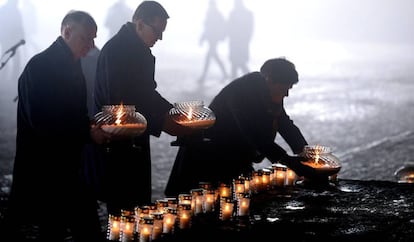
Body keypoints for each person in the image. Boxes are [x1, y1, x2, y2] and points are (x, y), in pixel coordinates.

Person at [4, 10, 110, 242]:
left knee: (80, 229)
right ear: (67, 32)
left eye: (94, 39)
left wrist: (92, 124)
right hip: (47, 170)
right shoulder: (39, 68)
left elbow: (75, 114)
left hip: (71, 167)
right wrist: (87, 132)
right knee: (55, 230)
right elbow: (44, 123)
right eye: (86, 38)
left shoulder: (73, 67)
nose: (91, 46)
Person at [94, 1, 193, 215]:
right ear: (139, 24)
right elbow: (119, 105)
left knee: (138, 204)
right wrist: (162, 123)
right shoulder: (117, 52)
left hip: (136, 138)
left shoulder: (139, 50)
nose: (160, 37)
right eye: (157, 30)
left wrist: (173, 112)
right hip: (119, 143)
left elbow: (148, 93)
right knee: (123, 209)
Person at [165, 57, 318, 196]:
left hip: (234, 155)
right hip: (210, 157)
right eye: (284, 88)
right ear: (269, 80)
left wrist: (306, 154)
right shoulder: (242, 92)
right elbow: (253, 133)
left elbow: (284, 124)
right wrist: (288, 161)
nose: (286, 94)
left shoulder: (270, 93)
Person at [197, 0, 228, 85]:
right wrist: (202, 38)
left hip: (214, 38)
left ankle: (203, 77)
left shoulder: (215, 14)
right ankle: (225, 74)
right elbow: (207, 27)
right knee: (213, 56)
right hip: (212, 38)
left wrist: (203, 38)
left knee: (210, 56)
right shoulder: (212, 14)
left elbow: (222, 26)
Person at [227, 0, 254, 79]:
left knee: (238, 63)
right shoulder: (247, 14)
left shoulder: (234, 13)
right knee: (237, 63)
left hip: (238, 43)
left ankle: (251, 79)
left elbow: (229, 28)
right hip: (239, 43)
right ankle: (251, 79)